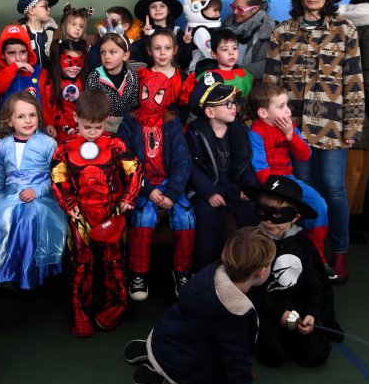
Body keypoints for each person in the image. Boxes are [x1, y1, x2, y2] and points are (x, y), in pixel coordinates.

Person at [263, 0, 365, 282]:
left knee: (334, 188)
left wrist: (353, 125)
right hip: (292, 128)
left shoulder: (344, 30)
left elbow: (354, 81)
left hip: (333, 127)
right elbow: (271, 82)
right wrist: (270, 123)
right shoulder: (282, 32)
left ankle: (340, 251)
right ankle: (307, 252)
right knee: (303, 190)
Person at [123, 226, 280, 384]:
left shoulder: (212, 271)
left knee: (188, 335)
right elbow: (237, 364)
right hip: (184, 365)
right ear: (261, 272)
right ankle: (166, 383)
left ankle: (152, 350)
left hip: (168, 335)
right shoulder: (234, 314)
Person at [51, 89, 142, 337]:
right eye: (87, 127)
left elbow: (134, 170)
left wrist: (128, 198)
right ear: (75, 118)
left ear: (106, 120)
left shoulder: (115, 144)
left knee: (115, 264)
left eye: (98, 127)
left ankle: (116, 308)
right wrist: (69, 204)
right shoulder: (64, 149)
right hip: (80, 214)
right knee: (81, 265)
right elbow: (58, 179)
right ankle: (80, 313)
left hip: (111, 212)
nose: (92, 132)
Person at [243, 175, 342, 367]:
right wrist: (278, 312)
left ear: (295, 217)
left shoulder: (303, 246)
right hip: (265, 309)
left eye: (278, 215)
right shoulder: (253, 243)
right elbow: (248, 288)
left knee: (316, 354)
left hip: (298, 310)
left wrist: (312, 313)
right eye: (263, 212)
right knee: (273, 356)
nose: (269, 221)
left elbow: (315, 282)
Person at [117, 68, 195, 300]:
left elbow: (183, 161)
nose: (151, 98)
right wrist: (147, 190)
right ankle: (138, 273)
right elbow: (124, 158)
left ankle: (182, 271)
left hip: (170, 184)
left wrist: (172, 193)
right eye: (146, 92)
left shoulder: (172, 124)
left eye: (158, 94)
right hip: (140, 183)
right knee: (144, 217)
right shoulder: (129, 122)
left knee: (186, 217)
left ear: (167, 95)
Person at [248, 82, 333, 277]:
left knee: (320, 205)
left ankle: (316, 254)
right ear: (263, 113)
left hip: (290, 179)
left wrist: (289, 135)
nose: (288, 110)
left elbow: (305, 155)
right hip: (268, 183)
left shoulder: (289, 128)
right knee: (274, 212)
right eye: (281, 106)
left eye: (287, 105)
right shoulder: (256, 132)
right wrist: (277, 190)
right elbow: (259, 167)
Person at [0, 92, 67, 288]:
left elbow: (57, 177)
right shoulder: (3, 145)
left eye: (32, 115)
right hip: (10, 193)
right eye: (21, 116)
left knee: (28, 216)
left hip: (42, 194)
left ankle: (32, 272)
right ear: (10, 121)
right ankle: (7, 271)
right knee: (5, 215)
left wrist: (37, 190)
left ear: (38, 117)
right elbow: (0, 174)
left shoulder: (48, 144)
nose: (28, 120)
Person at [186, 76, 258, 271]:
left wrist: (249, 187)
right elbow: (194, 168)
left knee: (250, 209)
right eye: (226, 104)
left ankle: (249, 264)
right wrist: (209, 193)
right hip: (208, 188)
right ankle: (207, 267)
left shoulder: (238, 130)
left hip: (233, 186)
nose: (233, 107)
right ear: (210, 112)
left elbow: (245, 163)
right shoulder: (196, 132)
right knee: (208, 216)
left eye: (233, 102)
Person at [338, 0, 369, 243]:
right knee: (357, 170)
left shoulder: (343, 21)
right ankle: (348, 223)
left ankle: (348, 222)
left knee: (354, 170)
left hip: (347, 99)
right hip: (360, 102)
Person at [179, 29, 255, 116]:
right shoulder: (207, 77)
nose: (231, 52)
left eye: (234, 48)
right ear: (214, 54)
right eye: (225, 49)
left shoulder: (246, 75)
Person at [85, 30, 139, 133]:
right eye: (103, 52)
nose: (106, 57)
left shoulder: (132, 76)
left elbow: (134, 105)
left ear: (125, 56)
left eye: (112, 52)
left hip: (126, 125)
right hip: (101, 126)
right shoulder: (95, 77)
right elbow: (90, 106)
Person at [131, 0, 191, 70]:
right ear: (148, 12)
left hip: (172, 73)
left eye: (162, 6)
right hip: (151, 74)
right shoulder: (145, 32)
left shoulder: (176, 31)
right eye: (153, 7)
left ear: (168, 10)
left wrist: (186, 43)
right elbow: (137, 57)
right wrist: (146, 37)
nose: (158, 9)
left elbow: (185, 60)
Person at [222, 0, 276, 79]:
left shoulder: (268, 29)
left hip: (253, 84)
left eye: (240, 9)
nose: (235, 12)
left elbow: (271, 63)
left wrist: (243, 76)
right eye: (233, 6)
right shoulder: (227, 24)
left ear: (255, 9)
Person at [0, 24, 48, 112]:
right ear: (2, 55)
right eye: (11, 53)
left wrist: (47, 121)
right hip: (8, 120)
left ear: (29, 52)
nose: (18, 58)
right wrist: (14, 67)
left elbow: (45, 106)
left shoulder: (40, 72)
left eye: (22, 52)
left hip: (35, 120)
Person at [42, 38, 89, 142]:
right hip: (62, 133)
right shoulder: (52, 84)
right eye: (69, 62)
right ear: (58, 60)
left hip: (84, 129)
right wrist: (67, 128)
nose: (75, 67)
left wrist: (84, 126)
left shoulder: (84, 81)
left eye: (79, 62)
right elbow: (54, 110)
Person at [137, 28, 189, 106]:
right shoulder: (142, 76)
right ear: (150, 51)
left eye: (168, 48)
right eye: (157, 48)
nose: (163, 52)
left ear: (175, 50)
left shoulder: (184, 78)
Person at [182, 0, 222, 73]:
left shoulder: (205, 29)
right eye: (215, 10)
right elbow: (211, 55)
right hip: (197, 74)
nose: (218, 14)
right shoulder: (201, 31)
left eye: (219, 11)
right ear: (197, 9)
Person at [17, 0, 59, 70]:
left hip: (50, 77)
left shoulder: (53, 32)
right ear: (32, 11)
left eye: (49, 6)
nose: (49, 9)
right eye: (45, 6)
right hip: (28, 77)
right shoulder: (19, 33)